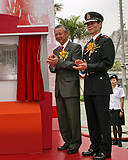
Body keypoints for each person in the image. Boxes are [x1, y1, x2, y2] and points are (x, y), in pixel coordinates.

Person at [73, 12, 115, 159]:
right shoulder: (87, 45)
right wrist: (82, 67)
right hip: (89, 86)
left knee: (103, 119)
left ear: (100, 24)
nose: (89, 26)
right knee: (91, 118)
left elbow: (107, 63)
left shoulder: (105, 41)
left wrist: (88, 66)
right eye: (88, 24)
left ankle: (105, 149)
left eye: (92, 23)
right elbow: (88, 65)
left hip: (101, 86)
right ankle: (95, 145)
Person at [46, 25, 82, 154]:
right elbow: (54, 69)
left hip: (71, 88)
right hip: (59, 88)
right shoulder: (56, 50)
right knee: (63, 118)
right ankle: (67, 141)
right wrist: (52, 64)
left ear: (67, 33)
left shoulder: (75, 47)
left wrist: (58, 63)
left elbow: (75, 64)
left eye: (60, 34)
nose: (58, 36)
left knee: (73, 117)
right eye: (56, 35)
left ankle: (75, 143)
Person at [109, 74, 125, 147]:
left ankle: (120, 141)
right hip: (111, 109)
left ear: (117, 81)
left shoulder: (120, 89)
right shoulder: (108, 88)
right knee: (113, 126)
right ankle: (115, 140)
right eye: (111, 80)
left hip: (118, 109)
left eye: (114, 80)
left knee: (119, 126)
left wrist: (121, 110)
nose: (113, 81)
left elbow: (122, 100)